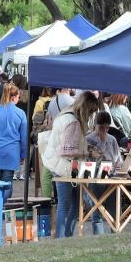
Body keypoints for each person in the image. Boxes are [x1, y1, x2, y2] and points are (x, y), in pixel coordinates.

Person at [43, 91, 102, 238]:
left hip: (64, 166)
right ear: (86, 109)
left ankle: (66, 236)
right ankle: (61, 238)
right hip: (64, 168)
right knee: (65, 204)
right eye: (91, 112)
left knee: (75, 204)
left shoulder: (66, 114)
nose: (91, 116)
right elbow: (67, 151)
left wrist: (87, 148)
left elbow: (71, 144)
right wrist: (89, 153)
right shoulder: (73, 121)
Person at [0, 83, 28, 202]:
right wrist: (23, 154)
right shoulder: (21, 113)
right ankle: (4, 206)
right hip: (12, 150)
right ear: (14, 97)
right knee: (7, 181)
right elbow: (24, 138)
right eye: (18, 97)